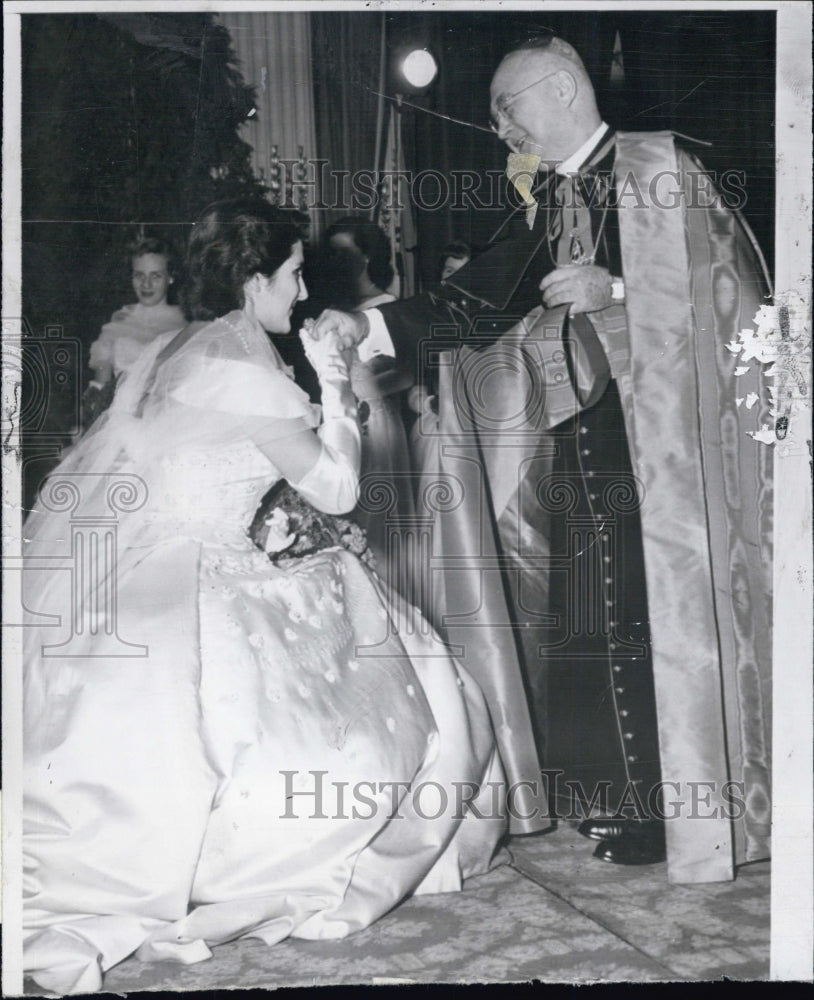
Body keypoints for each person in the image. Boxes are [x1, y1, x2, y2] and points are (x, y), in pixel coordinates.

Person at [308, 35, 772, 881]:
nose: (500, 128)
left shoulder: (661, 166)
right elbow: (478, 296)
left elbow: (732, 288)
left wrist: (617, 290)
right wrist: (367, 325)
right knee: (596, 613)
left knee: (652, 614)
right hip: (581, 440)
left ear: (561, 88)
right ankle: (621, 796)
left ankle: (675, 808)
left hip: (663, 442)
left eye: (507, 106)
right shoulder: (553, 196)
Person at [22, 199, 507, 994]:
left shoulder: (184, 345)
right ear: (254, 279)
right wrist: (335, 385)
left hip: (154, 566)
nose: (302, 287)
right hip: (208, 571)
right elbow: (339, 489)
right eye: (292, 273)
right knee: (387, 659)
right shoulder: (245, 367)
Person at [83, 238, 186, 424]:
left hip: (170, 419)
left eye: (156, 276)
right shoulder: (116, 326)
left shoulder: (185, 324)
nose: (146, 284)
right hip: (122, 419)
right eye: (139, 275)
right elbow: (99, 389)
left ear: (170, 277)